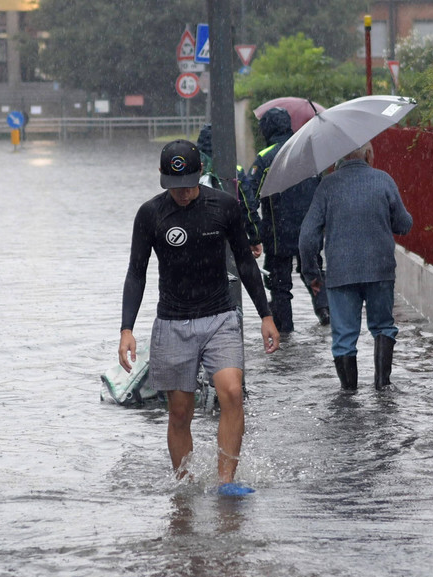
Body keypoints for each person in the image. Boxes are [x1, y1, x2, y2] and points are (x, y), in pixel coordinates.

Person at [119, 139, 280, 495]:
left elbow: (245, 262)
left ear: (199, 176)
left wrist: (265, 315)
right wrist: (126, 329)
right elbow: (136, 273)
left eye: (189, 185)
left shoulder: (223, 207)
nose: (183, 193)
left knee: (232, 393)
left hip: (220, 316)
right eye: (174, 187)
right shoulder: (151, 214)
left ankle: (226, 482)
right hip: (172, 323)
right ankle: (185, 484)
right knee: (179, 412)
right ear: (163, 180)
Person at [298, 141, 413, 391]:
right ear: (369, 154)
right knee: (383, 325)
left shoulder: (327, 185)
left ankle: (348, 393)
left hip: (341, 274)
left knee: (344, 337)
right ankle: (383, 385)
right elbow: (403, 224)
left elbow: (307, 237)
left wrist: (312, 275)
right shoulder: (383, 180)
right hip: (380, 270)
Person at [238, 107, 329, 335]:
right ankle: (326, 311)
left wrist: (254, 231)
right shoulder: (309, 153)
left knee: (279, 284)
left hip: (278, 233)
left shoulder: (266, 157)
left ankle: (285, 329)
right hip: (310, 229)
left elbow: (251, 194)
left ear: (267, 129)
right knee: (313, 269)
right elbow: (321, 189)